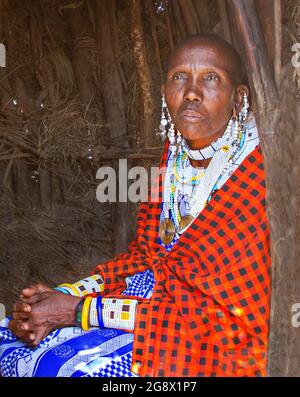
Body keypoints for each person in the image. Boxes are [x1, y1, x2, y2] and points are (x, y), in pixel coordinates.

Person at [0, 33, 270, 377]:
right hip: (149, 305)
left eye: (211, 78)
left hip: (209, 336)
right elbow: (146, 258)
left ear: (239, 96)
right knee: (9, 338)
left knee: (66, 370)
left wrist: (78, 310)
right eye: (179, 77)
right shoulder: (173, 160)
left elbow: (224, 314)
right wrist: (63, 295)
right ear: (164, 93)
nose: (191, 92)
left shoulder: (255, 173)